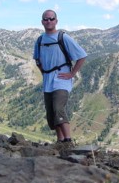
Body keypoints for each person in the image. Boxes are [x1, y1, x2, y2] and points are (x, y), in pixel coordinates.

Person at [33, 9, 87, 146]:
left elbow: (82, 56)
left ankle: (68, 141)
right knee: (51, 113)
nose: (48, 21)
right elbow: (37, 60)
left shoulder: (63, 37)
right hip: (48, 80)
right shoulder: (40, 40)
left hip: (62, 79)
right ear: (42, 22)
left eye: (51, 19)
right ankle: (60, 140)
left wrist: (72, 74)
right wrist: (44, 72)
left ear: (56, 21)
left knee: (58, 107)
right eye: (46, 19)